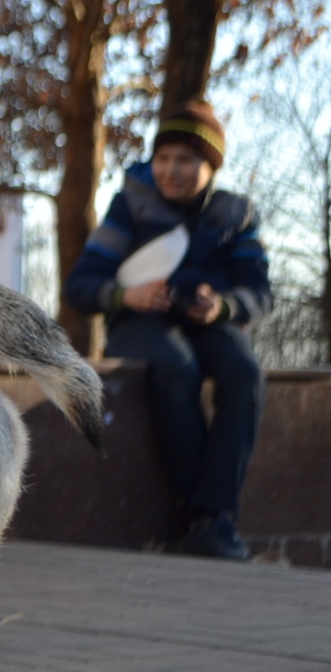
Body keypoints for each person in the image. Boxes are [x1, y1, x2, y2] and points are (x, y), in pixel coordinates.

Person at [67, 102, 272, 561]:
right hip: (140, 324)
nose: (171, 170)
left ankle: (215, 519)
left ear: (210, 165)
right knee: (175, 368)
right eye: (163, 158)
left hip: (207, 323)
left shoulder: (234, 215)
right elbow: (81, 285)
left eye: (185, 160)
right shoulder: (131, 205)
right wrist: (126, 296)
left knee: (244, 373)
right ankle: (193, 516)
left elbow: (258, 291)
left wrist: (222, 306)